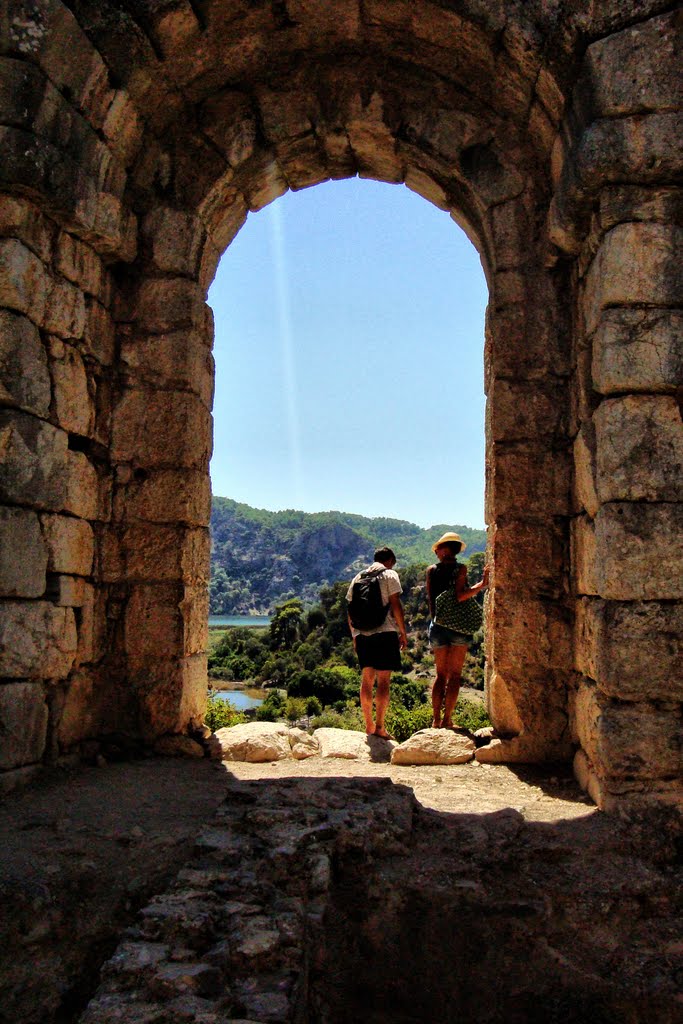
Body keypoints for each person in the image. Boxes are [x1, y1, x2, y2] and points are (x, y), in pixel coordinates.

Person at [426, 532, 489, 730]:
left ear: (446, 549)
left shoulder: (431, 570)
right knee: (455, 675)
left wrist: (437, 620)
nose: (436, 551)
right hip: (458, 628)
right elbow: (461, 596)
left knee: (440, 675)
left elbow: (431, 599)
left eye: (438, 548)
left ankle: (435, 720)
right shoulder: (460, 568)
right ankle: (448, 720)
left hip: (438, 625)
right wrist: (482, 585)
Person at [346, 547, 408, 739]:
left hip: (363, 635)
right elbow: (395, 604)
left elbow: (349, 610)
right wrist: (403, 632)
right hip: (385, 632)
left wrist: (355, 636)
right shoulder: (390, 574)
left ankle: (368, 725)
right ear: (390, 560)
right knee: (383, 682)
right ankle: (380, 727)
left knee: (366, 680)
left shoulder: (358, 577)